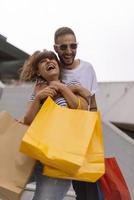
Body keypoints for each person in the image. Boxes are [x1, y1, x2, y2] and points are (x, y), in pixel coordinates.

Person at [20, 49, 89, 200]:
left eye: (52, 59)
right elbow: (28, 121)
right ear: (38, 72)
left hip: (60, 159)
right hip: (38, 156)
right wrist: (38, 98)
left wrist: (62, 87)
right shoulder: (38, 92)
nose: (49, 61)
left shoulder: (72, 84)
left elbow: (82, 108)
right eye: (43, 61)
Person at [53, 27, 99, 200]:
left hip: (84, 139)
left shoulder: (88, 68)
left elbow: (93, 105)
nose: (69, 51)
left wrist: (94, 134)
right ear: (56, 48)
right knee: (59, 191)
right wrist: (76, 88)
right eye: (63, 47)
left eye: (73, 46)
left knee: (89, 193)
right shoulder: (52, 68)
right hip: (60, 142)